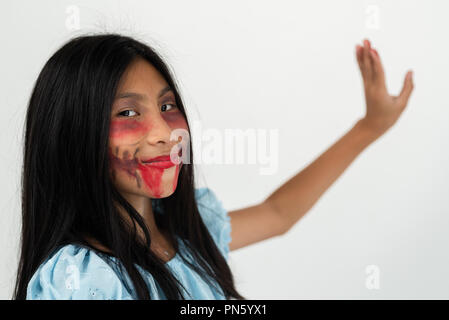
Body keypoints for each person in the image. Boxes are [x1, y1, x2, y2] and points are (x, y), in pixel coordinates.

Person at [13, 34, 413, 300]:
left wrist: (370, 127)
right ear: (72, 136)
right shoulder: (82, 283)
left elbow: (278, 213)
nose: (163, 133)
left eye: (167, 106)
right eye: (129, 112)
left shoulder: (190, 232)